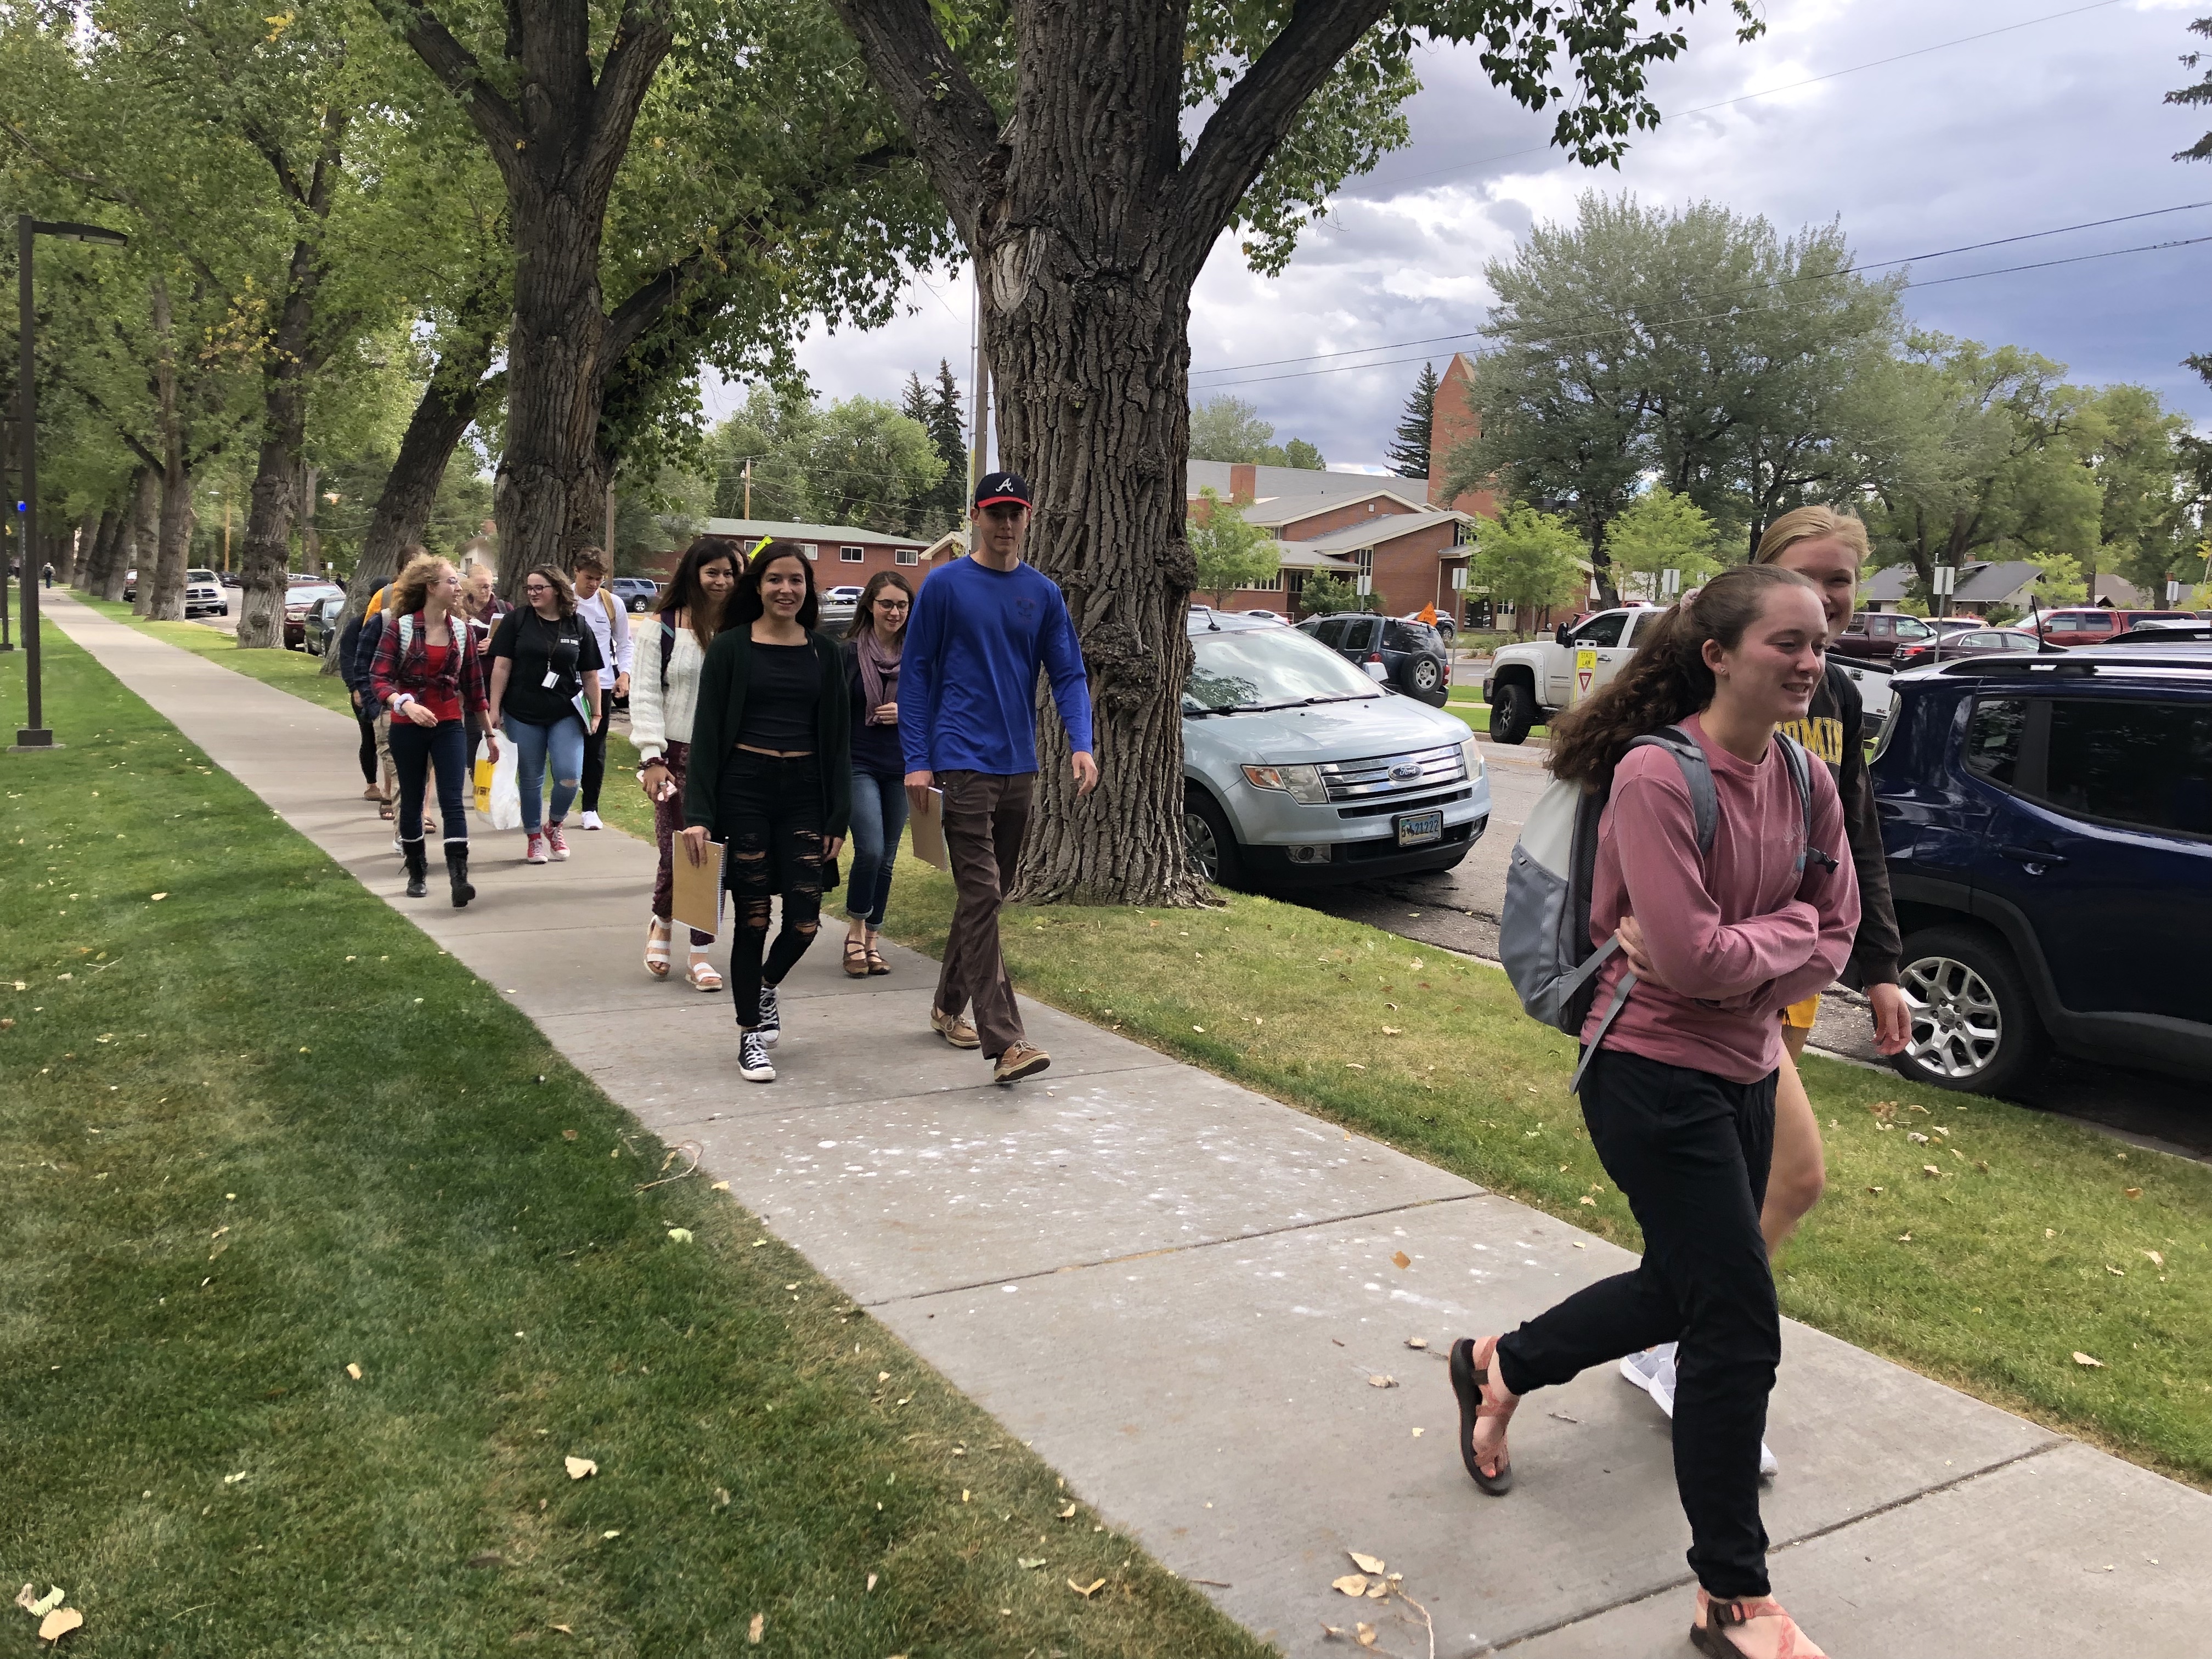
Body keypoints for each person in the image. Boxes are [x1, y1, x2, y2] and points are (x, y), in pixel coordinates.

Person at [1447, 564, 1857, 1659]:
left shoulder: (1809, 782)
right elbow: (1688, 956)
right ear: (1719, 654)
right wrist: (1770, 950)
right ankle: (1731, 1595)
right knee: (1736, 1321)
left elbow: (1838, 930)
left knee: (1684, 1288)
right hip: (1648, 1072)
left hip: (1748, 1067)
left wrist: (1743, 959)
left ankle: (1503, 1362)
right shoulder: (1655, 775)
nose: (1811, 661)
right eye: (1789, 642)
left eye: (1820, 642)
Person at [1618, 507, 1911, 1464]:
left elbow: (1849, 843)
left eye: (1844, 584)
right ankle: (1687, 1354)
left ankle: (1570, 1354)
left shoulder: (1834, 702)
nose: (1829, 602)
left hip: (1770, 979)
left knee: (1749, 1197)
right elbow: (1618, 802)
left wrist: (1876, 966)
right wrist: (1649, 924)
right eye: (1811, 578)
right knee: (1779, 1182)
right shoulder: (1690, 693)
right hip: (1678, 999)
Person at [899, 472, 1097, 1084]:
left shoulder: (1042, 593)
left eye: (1015, 513)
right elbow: (916, 674)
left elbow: (1067, 674)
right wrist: (917, 759)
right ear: (975, 518)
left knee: (987, 895)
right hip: (960, 760)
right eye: (995, 513)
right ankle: (1006, 1042)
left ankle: (944, 1005)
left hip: (1021, 766)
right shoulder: (945, 586)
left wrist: (1081, 744)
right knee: (981, 893)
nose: (1005, 524)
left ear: (1027, 518)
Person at [681, 540, 850, 1085]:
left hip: (804, 791)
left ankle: (766, 985)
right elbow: (707, 736)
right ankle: (751, 1033)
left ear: (808, 589)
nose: (786, 589)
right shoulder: (731, 649)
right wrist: (700, 813)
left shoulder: (827, 654)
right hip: (745, 791)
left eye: (796, 580)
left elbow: (840, 744)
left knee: (804, 921)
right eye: (775, 579)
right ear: (757, 586)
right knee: (753, 918)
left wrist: (836, 819)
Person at [633, 535, 741, 991]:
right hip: (675, 755)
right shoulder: (664, 627)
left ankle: (700, 952)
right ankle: (662, 921)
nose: (722, 580)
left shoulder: (745, 628)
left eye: (730, 572)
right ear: (694, 574)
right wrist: (651, 758)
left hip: (729, 759)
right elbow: (644, 694)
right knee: (678, 851)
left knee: (713, 854)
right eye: (712, 571)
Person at [369, 554, 494, 905]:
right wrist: (405, 704)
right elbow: (379, 679)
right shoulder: (400, 627)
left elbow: (474, 688)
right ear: (431, 588)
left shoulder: (462, 631)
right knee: (411, 799)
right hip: (407, 726)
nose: (459, 587)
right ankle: (417, 873)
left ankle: (459, 879)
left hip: (450, 724)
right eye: (452, 581)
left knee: (453, 801)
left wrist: (489, 734)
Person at [487, 565, 603, 865]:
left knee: (569, 776)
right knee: (531, 778)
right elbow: (501, 667)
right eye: (529, 588)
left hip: (565, 711)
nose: (533, 593)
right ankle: (534, 837)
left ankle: (555, 824)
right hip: (522, 711)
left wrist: (597, 713)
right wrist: (494, 708)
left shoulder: (577, 625)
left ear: (557, 590)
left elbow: (590, 675)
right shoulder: (517, 621)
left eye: (540, 588)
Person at [841, 570, 915, 977]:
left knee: (887, 858)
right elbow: (831, 714)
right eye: (887, 603)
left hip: (902, 765)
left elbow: (936, 709)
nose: (895, 612)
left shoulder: (919, 656)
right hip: (858, 763)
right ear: (870, 604)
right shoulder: (849, 654)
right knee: (869, 849)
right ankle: (854, 930)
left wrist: (907, 713)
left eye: (902, 605)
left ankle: (873, 938)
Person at [570, 548, 633, 831]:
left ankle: (590, 808)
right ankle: (564, 801)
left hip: (602, 685)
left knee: (595, 747)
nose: (594, 584)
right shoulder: (564, 601)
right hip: (566, 685)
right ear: (576, 572)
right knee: (567, 745)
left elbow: (624, 643)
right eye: (589, 578)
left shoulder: (612, 604)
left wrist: (625, 674)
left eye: (599, 579)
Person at [350, 579, 400, 823]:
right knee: (371, 741)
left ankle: (418, 813)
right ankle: (378, 788)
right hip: (379, 700)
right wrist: (362, 694)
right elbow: (357, 662)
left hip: (409, 704)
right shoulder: (372, 624)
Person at [336, 599, 383, 808]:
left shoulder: (399, 622)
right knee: (370, 737)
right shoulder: (358, 625)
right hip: (364, 689)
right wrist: (355, 688)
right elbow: (348, 658)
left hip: (389, 689)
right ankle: (372, 784)